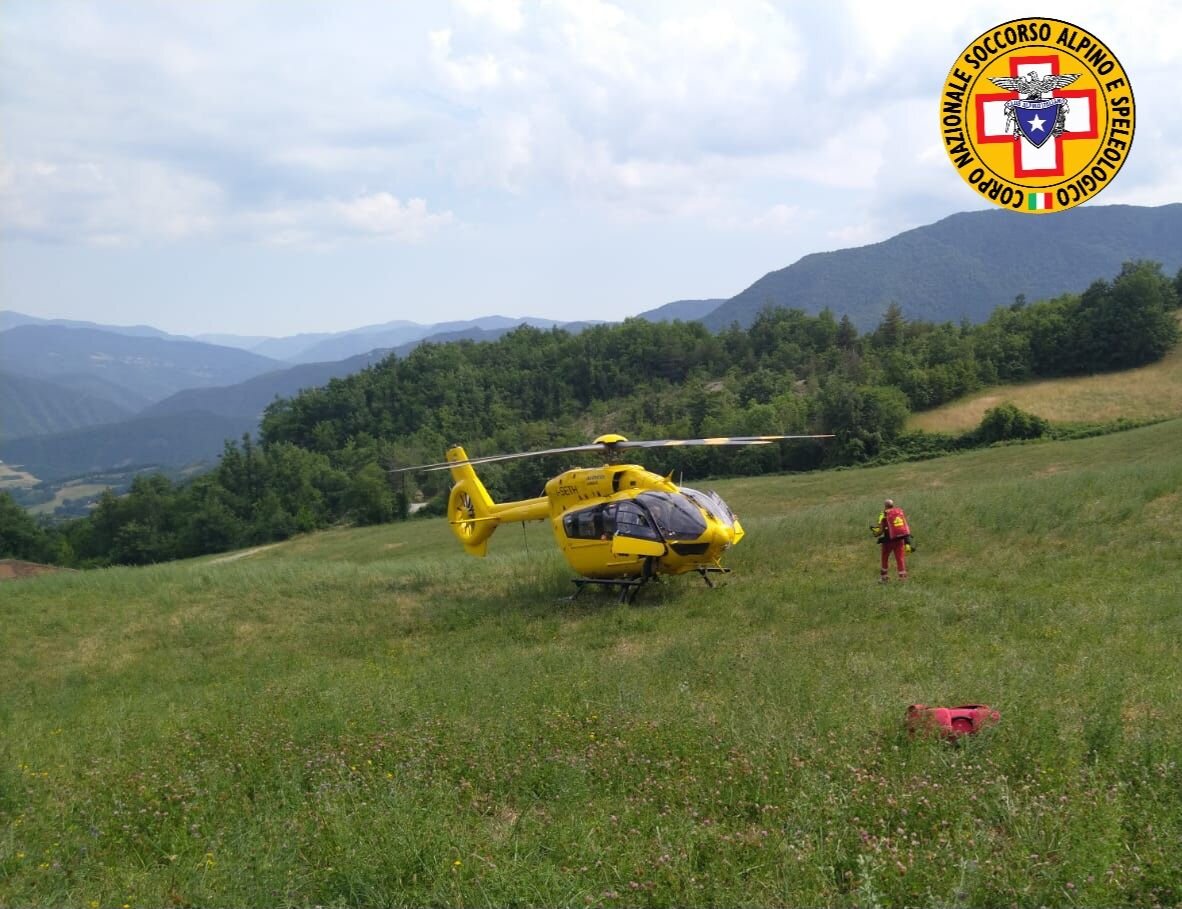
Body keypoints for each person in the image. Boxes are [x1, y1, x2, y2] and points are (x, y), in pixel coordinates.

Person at [876, 498, 912, 582]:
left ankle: (884, 577)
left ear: (885, 506)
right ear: (893, 505)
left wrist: (876, 534)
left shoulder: (883, 514)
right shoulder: (899, 512)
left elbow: (880, 530)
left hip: (888, 541)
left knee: (884, 557)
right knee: (900, 558)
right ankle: (902, 577)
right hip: (899, 539)